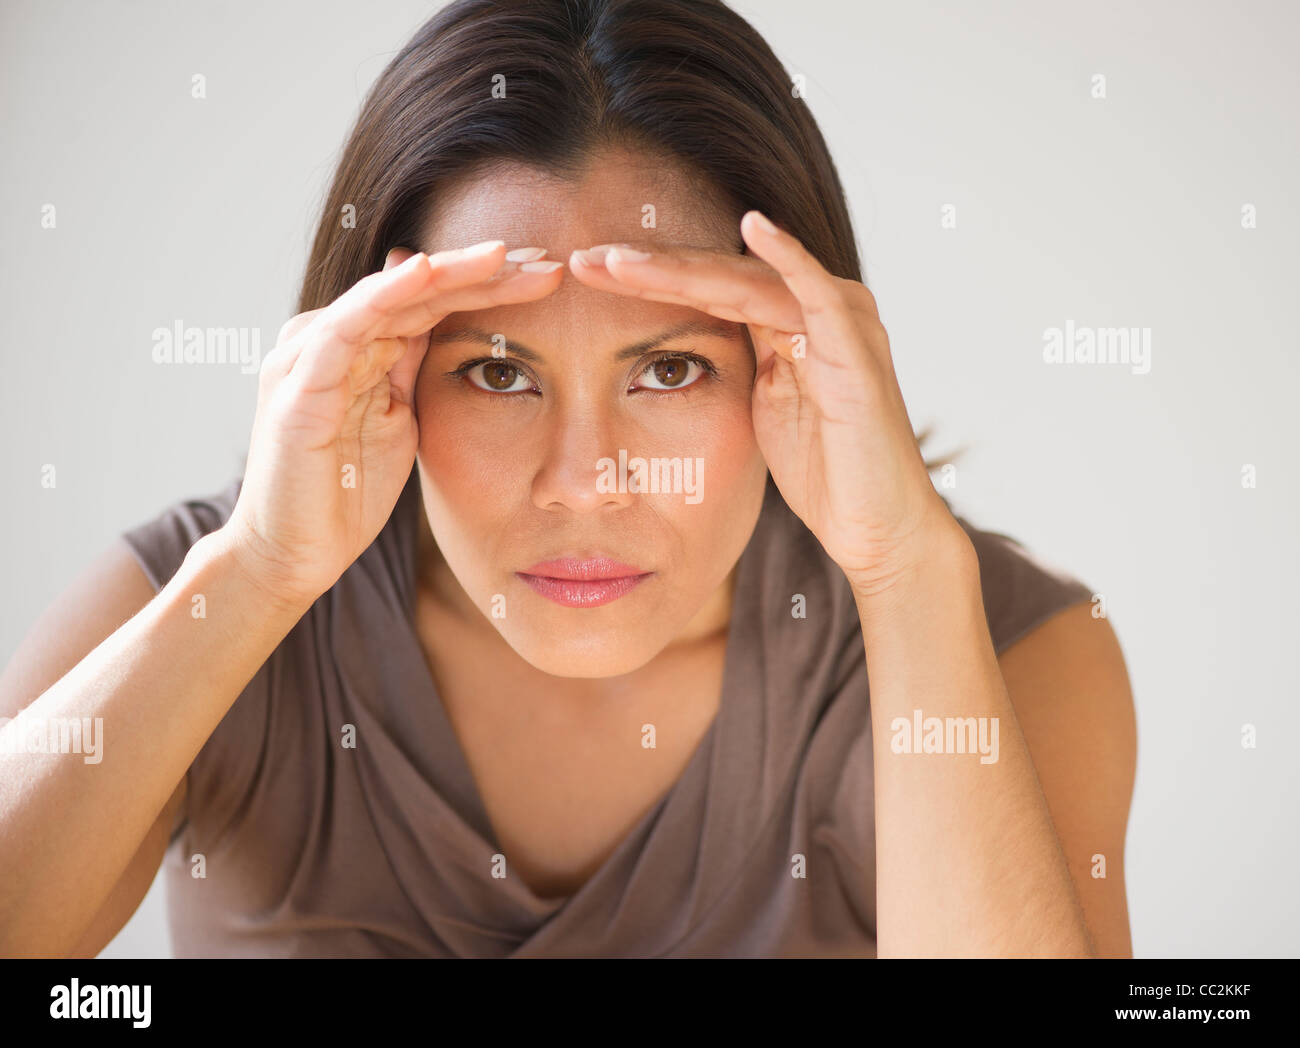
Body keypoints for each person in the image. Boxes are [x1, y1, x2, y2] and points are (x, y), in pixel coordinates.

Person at [0, 0, 1136, 958]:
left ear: (796, 358)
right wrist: (254, 576)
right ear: (380, 364)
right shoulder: (191, 601)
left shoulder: (1014, 651)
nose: (582, 482)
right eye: (498, 371)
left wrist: (905, 575)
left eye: (670, 367)